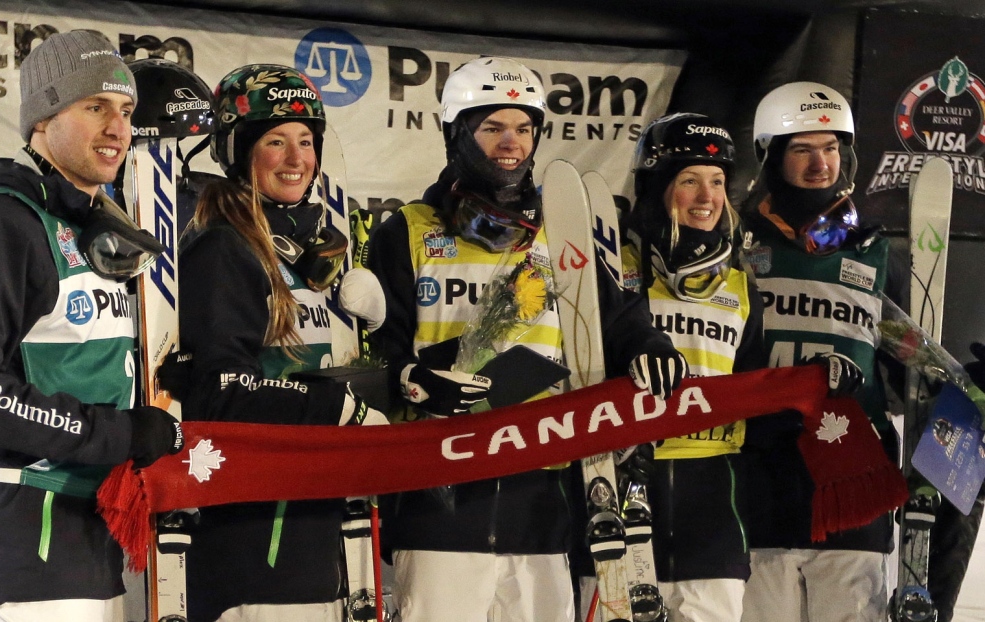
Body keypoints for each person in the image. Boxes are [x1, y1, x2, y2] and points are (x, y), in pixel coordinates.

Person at [365, 56, 686, 622]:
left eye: (524, 127)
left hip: (542, 495)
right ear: (457, 134)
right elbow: (380, 349)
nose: (511, 142)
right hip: (439, 491)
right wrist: (413, 381)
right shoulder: (407, 229)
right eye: (492, 128)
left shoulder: (567, 225)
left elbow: (621, 319)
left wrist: (650, 348)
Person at [0, 30, 183, 622]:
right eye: (95, 107)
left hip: (85, 524)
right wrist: (118, 434)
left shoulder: (90, 225)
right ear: (43, 117)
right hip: (18, 527)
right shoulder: (0, 220)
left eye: (126, 110)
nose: (117, 127)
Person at [176, 63, 386, 622]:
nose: (297, 159)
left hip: (320, 520)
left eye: (306, 141)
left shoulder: (313, 249)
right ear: (239, 152)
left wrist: (383, 355)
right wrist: (334, 404)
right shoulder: (224, 249)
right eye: (275, 141)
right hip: (254, 530)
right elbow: (219, 391)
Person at [739, 81, 898, 622]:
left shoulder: (876, 250)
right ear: (771, 155)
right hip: (759, 467)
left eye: (831, 148)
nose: (820, 163)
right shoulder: (733, 242)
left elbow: (906, 358)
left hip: (851, 469)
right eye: (802, 149)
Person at [624, 112, 767, 622]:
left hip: (714, 492)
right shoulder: (616, 268)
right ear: (658, 188)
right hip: (626, 478)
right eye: (689, 181)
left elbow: (755, 384)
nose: (707, 197)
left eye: (717, 182)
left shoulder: (742, 284)